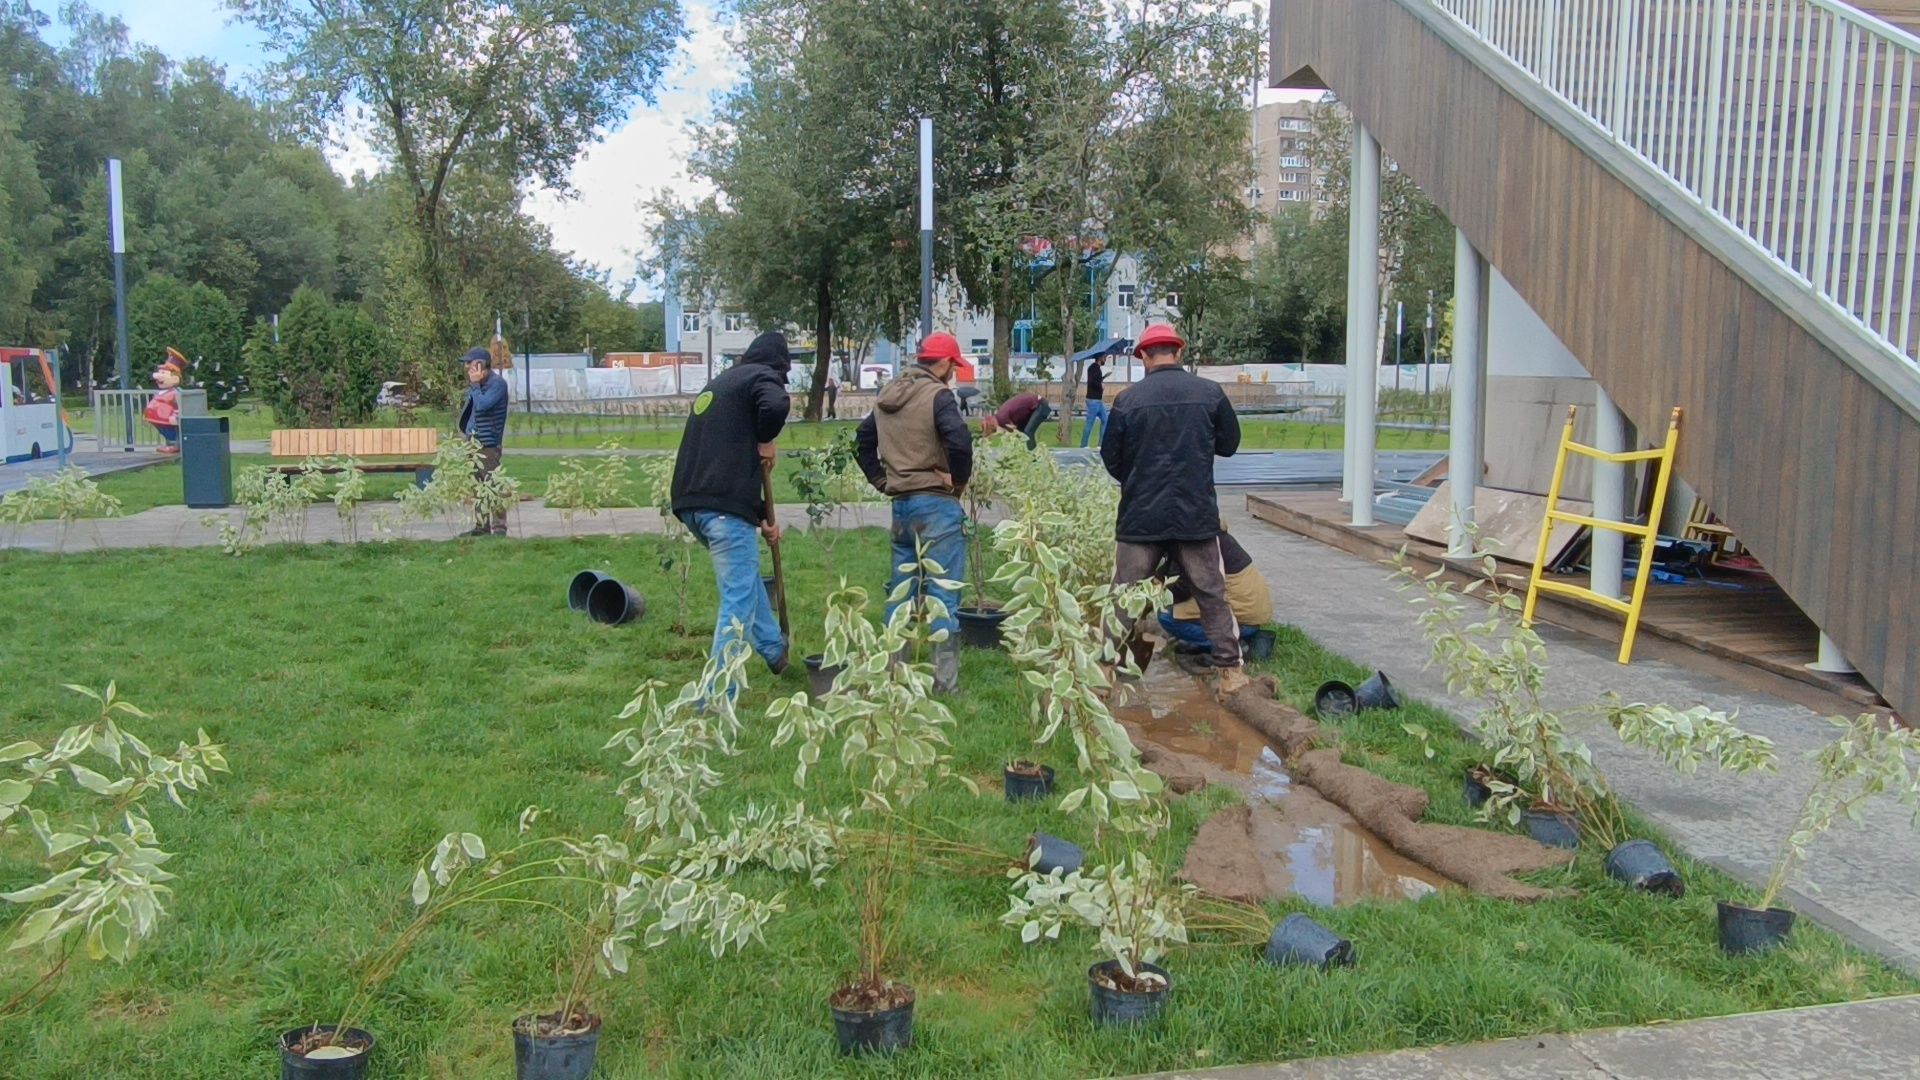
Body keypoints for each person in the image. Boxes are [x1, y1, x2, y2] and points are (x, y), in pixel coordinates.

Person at [1100, 323, 1245, 693]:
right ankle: (1231, 673)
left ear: (1144, 358)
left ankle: (1104, 671)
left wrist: (1138, 480)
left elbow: (1111, 460)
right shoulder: (1210, 394)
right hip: (1194, 516)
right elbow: (1229, 445)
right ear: (1178, 353)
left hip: (1140, 518)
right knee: (1211, 592)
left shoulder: (1127, 401)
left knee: (1124, 595)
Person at [855, 331, 973, 693]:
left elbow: (862, 441)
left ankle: (894, 674)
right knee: (943, 593)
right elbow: (959, 441)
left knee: (901, 594)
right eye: (954, 365)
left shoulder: (888, 395)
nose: (954, 372)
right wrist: (958, 483)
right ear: (944, 363)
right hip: (936, 504)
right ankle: (945, 684)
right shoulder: (937, 395)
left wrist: (882, 481)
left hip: (901, 507)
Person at [671, 331, 794, 676]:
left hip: (692, 504)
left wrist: (759, 517)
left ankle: (774, 652)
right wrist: (766, 438)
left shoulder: (723, 383)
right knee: (737, 601)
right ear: (779, 366)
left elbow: (722, 465)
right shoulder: (762, 377)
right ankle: (715, 696)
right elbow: (776, 404)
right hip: (722, 511)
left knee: (747, 580)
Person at [1157, 526, 1273, 660]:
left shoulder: (1195, 543)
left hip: (1244, 616)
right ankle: (1212, 642)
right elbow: (1173, 566)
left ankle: (1230, 645)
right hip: (1248, 607)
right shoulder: (1207, 532)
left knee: (1167, 616)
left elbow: (1184, 588)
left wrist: (1154, 597)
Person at [458, 346, 510, 536]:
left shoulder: (497, 384)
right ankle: (481, 526)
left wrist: (475, 385)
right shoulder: (478, 385)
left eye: (470, 364)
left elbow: (482, 406)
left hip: (488, 444)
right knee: (477, 487)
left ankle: (498, 528)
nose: (467, 368)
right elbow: (472, 410)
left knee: (492, 485)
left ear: (480, 365)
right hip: (473, 441)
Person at [143, 348, 188, 454]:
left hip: (168, 420)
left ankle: (175, 445)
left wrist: (175, 415)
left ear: (175, 378)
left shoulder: (175, 393)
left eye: (163, 372)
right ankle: (171, 444)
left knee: (174, 432)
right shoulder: (160, 392)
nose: (159, 376)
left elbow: (179, 405)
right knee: (167, 432)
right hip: (160, 421)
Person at [980, 391, 1053, 449]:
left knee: (1027, 433)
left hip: (1040, 405)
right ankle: (1026, 453)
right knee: (1022, 433)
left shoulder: (1002, 419)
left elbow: (1014, 432)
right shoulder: (1000, 416)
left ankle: (1033, 457)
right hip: (1033, 406)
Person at [1079, 353, 1108, 448]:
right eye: (1104, 358)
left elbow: (1096, 380)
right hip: (1093, 400)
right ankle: (1083, 446)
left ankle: (1101, 444)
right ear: (1100, 358)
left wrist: (1101, 380)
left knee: (1105, 420)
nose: (1105, 359)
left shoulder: (1097, 369)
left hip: (1098, 401)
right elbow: (1092, 382)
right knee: (1090, 423)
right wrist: (1101, 386)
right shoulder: (1093, 368)